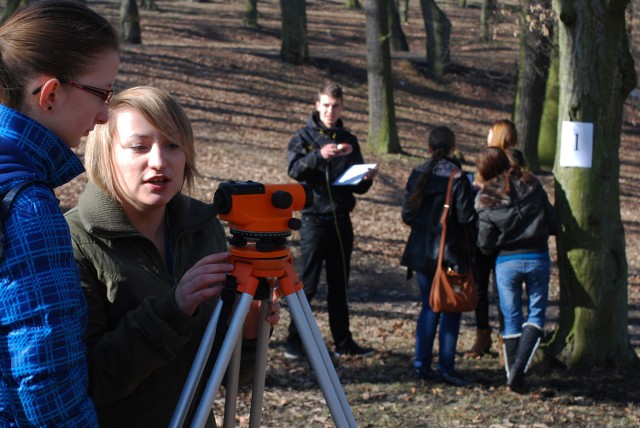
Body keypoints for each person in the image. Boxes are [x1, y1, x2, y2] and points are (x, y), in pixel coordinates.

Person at [64, 86, 280, 427]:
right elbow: (88, 382)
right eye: (139, 146)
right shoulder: (72, 240)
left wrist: (250, 329)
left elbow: (230, 379)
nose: (159, 161)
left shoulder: (203, 228)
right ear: (105, 155)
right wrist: (172, 310)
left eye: (172, 145)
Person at [0, 1, 119, 425]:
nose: (105, 114)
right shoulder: (27, 206)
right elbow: (45, 377)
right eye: (102, 94)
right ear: (50, 94)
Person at [285, 81, 377, 359]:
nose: (330, 110)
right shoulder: (303, 137)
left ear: (342, 107)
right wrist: (318, 155)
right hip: (313, 220)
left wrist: (365, 179)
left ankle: (343, 342)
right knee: (308, 285)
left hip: (341, 219)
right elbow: (293, 170)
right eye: (325, 105)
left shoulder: (349, 139)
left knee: (340, 284)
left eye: (335, 106)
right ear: (317, 105)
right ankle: (294, 342)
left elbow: (355, 187)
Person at [475, 147, 560, 392]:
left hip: (506, 263)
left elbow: (484, 242)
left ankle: (513, 376)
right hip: (537, 257)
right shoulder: (532, 184)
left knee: (511, 320)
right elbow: (552, 221)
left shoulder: (486, 197)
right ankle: (517, 374)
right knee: (536, 315)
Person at [400, 126, 476, 387]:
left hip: (421, 251)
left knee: (429, 306)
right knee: (450, 309)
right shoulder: (458, 177)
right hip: (450, 252)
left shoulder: (418, 173)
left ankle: (421, 365)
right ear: (453, 148)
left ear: (428, 148)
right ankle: (446, 366)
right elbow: (466, 218)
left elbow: (407, 215)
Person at [465, 118, 524, 359]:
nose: (487, 134)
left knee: (500, 289)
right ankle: (486, 335)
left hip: (497, 231)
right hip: (485, 229)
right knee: (481, 287)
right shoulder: (489, 157)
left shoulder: (513, 160)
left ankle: (503, 338)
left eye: (491, 132)